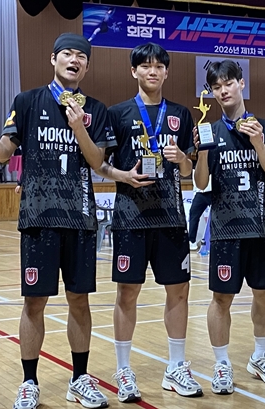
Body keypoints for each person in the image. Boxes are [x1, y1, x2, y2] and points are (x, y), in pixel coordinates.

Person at [0, 33, 114, 409]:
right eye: (67, 54)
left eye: (81, 56)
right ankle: (29, 382)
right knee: (34, 303)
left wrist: (79, 128)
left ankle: (79, 379)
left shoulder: (96, 109)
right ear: (53, 59)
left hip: (80, 219)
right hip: (38, 219)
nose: (74, 60)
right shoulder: (27, 101)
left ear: (87, 66)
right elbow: (3, 152)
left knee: (79, 301)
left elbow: (97, 162)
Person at [95, 42, 203, 402]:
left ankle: (176, 367)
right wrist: (123, 176)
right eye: (145, 65)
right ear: (134, 71)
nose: (152, 71)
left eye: (158, 66)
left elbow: (188, 169)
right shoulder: (117, 113)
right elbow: (100, 164)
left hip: (171, 218)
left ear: (167, 72)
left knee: (179, 291)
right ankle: (124, 370)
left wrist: (181, 158)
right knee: (127, 293)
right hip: (130, 218)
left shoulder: (181, 114)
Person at [194, 60, 265, 395]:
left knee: (264, 295)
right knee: (221, 299)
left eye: (228, 84)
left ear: (241, 83)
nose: (223, 91)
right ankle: (221, 364)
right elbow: (200, 183)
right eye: (216, 87)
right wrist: (201, 152)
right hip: (225, 230)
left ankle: (260, 356)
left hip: (261, 229)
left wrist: (259, 143)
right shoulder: (210, 131)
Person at [188, 171, 211, 251]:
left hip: (213, 191)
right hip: (200, 193)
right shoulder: (195, 164)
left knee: (218, 216)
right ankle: (192, 241)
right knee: (193, 214)